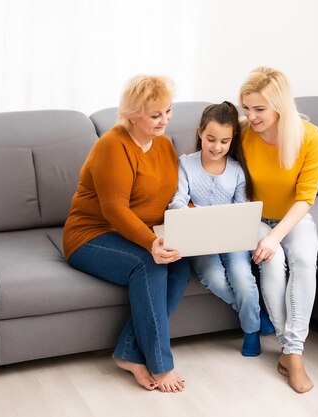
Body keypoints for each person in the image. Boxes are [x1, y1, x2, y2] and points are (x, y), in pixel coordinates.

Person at [63, 75, 190, 393]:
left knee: (181, 265)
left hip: (138, 232)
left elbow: (171, 194)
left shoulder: (163, 145)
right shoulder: (112, 146)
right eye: (155, 114)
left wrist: (187, 224)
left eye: (168, 111)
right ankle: (161, 366)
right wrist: (151, 243)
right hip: (92, 235)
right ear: (133, 115)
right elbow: (114, 210)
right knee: (148, 264)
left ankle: (128, 353)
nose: (165, 120)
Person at [239, 67, 318, 393]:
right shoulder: (242, 133)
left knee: (304, 260)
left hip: (293, 217)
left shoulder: (310, 136)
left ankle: (292, 352)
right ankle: (292, 353)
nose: (251, 115)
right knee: (272, 264)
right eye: (246, 107)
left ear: (280, 106)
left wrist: (276, 236)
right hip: (256, 218)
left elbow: (306, 197)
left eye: (259, 109)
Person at [168, 101, 264, 357]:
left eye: (224, 141)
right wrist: (187, 214)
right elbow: (177, 199)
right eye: (211, 139)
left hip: (233, 240)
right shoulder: (185, 164)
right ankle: (254, 316)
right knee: (214, 278)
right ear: (200, 133)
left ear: (232, 141)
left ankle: (251, 332)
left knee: (243, 280)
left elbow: (243, 209)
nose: (217, 147)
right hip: (199, 241)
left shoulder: (236, 170)